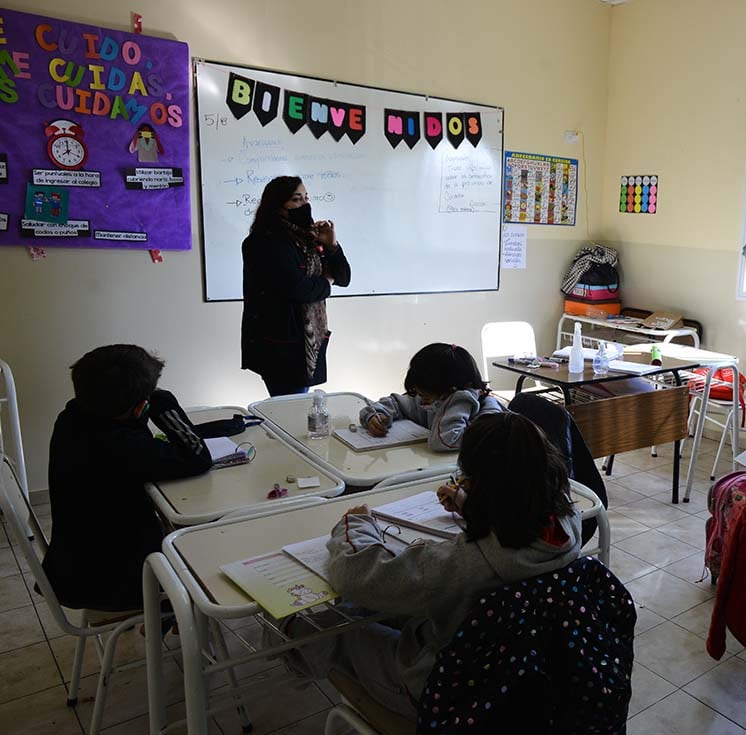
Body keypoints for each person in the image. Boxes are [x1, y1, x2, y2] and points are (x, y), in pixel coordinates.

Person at [286, 413, 582, 720]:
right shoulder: (566, 522)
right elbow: (517, 513)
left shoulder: (462, 563)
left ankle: (283, 643)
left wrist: (356, 524)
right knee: (372, 612)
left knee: (330, 629)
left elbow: (355, 574)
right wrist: (472, 503)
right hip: (516, 676)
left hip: (442, 692)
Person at [42, 345, 212, 611]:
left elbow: (130, 438)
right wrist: (164, 403)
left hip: (73, 566)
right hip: (115, 582)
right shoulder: (124, 446)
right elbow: (199, 458)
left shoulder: (71, 418)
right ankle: (176, 618)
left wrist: (138, 410)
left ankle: (168, 621)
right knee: (205, 550)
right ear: (139, 406)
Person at [241, 176, 352, 397]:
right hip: (281, 343)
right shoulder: (263, 241)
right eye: (296, 199)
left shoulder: (308, 238)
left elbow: (344, 277)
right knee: (289, 407)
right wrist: (326, 281)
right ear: (277, 206)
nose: (305, 205)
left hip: (307, 339)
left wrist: (332, 245)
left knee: (295, 405)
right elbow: (296, 289)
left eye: (306, 198)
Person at [359, 343, 502, 452]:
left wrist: (459, 399)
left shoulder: (490, 419)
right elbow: (396, 402)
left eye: (424, 395)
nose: (420, 401)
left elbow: (444, 441)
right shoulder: (430, 400)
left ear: (450, 393)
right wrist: (374, 415)